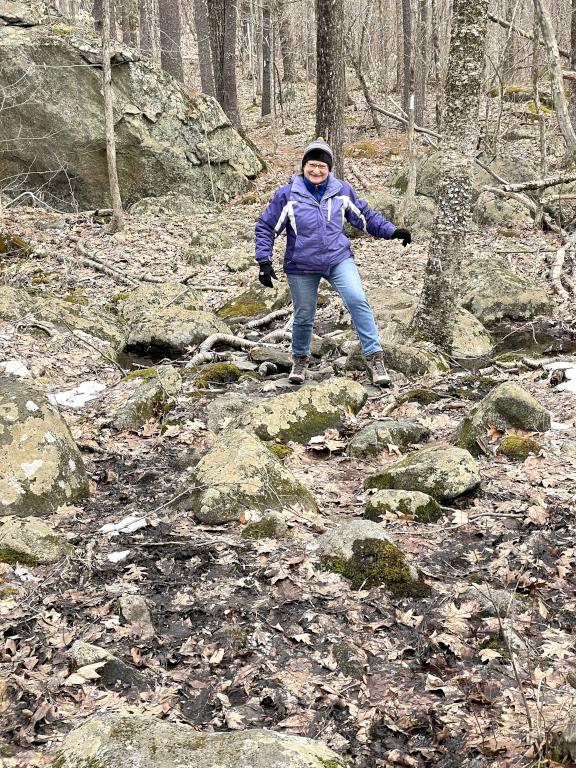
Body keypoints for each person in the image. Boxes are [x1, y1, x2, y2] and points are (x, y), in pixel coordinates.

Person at [254, 138, 411, 387]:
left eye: (322, 167)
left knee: (357, 299)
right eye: (312, 165)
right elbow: (266, 227)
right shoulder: (288, 195)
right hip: (301, 264)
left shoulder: (341, 191)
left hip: (337, 259)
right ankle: (300, 360)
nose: (316, 171)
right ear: (303, 166)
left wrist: (392, 231)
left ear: (329, 169)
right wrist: (263, 260)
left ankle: (375, 358)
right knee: (304, 314)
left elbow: (365, 217)